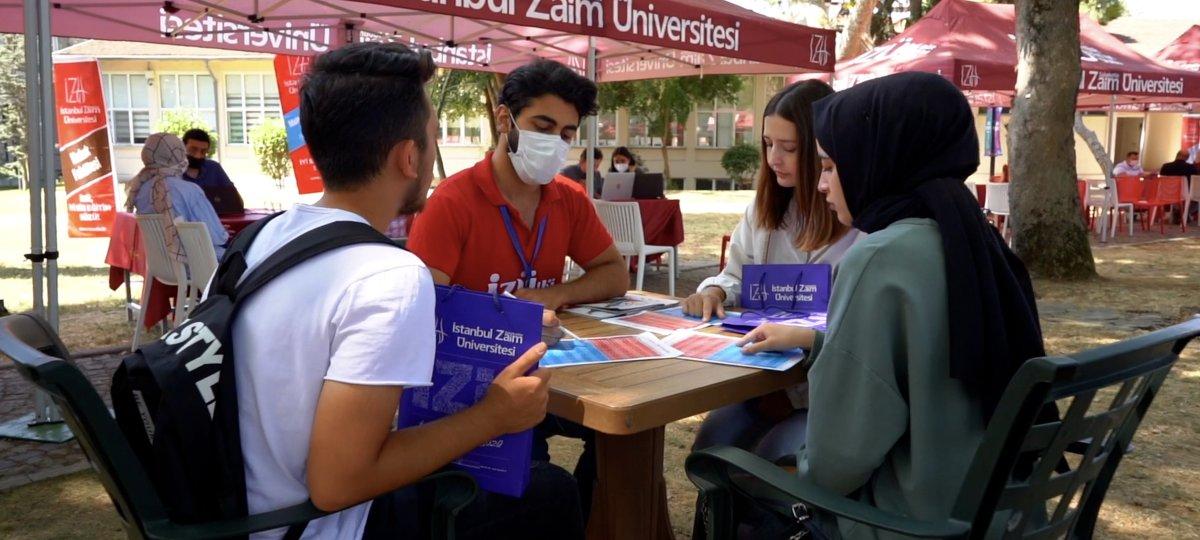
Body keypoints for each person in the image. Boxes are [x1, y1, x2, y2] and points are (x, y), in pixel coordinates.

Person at [230, 42, 584, 540]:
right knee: (552, 492)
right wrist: (495, 415)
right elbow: (339, 485)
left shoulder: (259, 239)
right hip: (316, 525)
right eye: (435, 135)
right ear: (411, 156)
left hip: (237, 507)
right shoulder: (387, 278)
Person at [732, 72, 1045, 538]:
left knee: (736, 479)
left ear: (877, 161)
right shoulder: (977, 241)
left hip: (907, 520)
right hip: (1000, 508)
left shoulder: (879, 256)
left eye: (832, 167)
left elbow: (836, 463)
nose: (822, 185)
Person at [407, 58, 629, 524]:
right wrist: (500, 317)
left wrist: (553, 296)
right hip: (473, 393)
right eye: (543, 126)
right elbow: (422, 313)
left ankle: (600, 523)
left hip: (548, 370)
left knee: (623, 430)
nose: (555, 143)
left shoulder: (566, 197)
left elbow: (613, 273)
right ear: (505, 120)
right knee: (543, 487)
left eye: (567, 134)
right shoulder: (452, 202)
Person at [683, 80, 861, 465]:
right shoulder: (764, 210)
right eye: (767, 144)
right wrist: (715, 291)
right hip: (762, 383)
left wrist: (794, 387)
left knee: (771, 460)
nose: (773, 158)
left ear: (821, 150)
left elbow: (864, 332)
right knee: (710, 450)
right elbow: (736, 275)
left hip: (825, 396)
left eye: (790, 148)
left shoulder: (859, 223)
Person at [126, 132, 229, 260]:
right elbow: (217, 237)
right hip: (198, 264)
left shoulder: (138, 190)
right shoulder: (190, 190)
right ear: (179, 153)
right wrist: (221, 231)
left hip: (162, 263)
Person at [181, 128, 245, 214]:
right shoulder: (173, 172)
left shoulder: (214, 168)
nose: (198, 156)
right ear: (182, 147)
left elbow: (237, 202)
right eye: (193, 150)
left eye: (203, 152)